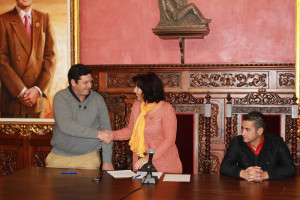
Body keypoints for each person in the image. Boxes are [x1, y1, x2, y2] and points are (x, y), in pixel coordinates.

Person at [104, 72, 182, 173]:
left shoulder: (166, 109)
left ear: (148, 89)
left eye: (138, 87)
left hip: (164, 164)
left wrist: (149, 158)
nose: (134, 90)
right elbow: (131, 130)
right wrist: (112, 135)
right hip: (140, 162)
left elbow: (169, 140)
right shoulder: (137, 106)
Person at [46, 64, 114, 170]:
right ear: (73, 82)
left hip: (89, 158)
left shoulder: (97, 99)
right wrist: (97, 134)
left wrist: (107, 162)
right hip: (59, 157)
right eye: (85, 82)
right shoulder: (61, 97)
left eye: (91, 81)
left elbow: (106, 131)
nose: (90, 85)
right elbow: (66, 126)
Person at [0, 0, 56, 118]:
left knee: (37, 136)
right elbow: (1, 60)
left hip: (37, 99)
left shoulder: (44, 18)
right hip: (13, 99)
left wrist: (38, 89)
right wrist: (21, 91)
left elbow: (51, 57)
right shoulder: (3, 20)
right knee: (11, 137)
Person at [220, 111, 296, 181]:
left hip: (272, 190)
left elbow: (290, 169)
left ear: (259, 131)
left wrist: (264, 175)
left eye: (247, 129)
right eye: (242, 128)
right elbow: (224, 167)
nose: (243, 133)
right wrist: (244, 174)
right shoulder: (237, 142)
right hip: (244, 189)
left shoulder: (276, 142)